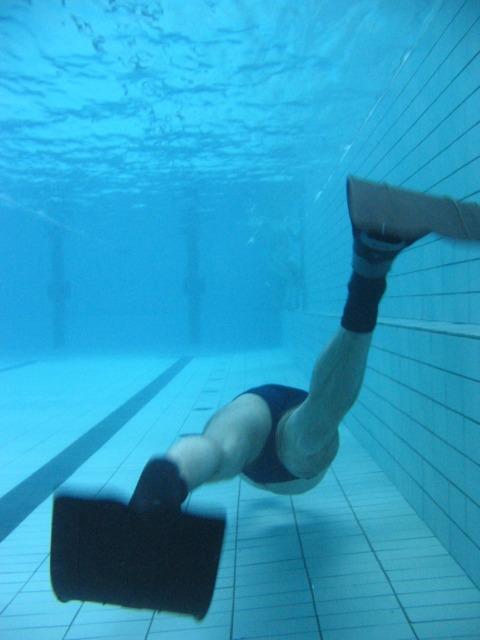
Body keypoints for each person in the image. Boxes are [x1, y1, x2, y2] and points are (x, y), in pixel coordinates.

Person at [130, 175, 480, 510]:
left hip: (263, 418)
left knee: (234, 449)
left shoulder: (289, 456)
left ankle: (371, 265)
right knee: (275, 441)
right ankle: (161, 489)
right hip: (264, 409)